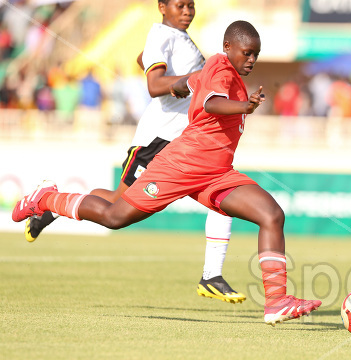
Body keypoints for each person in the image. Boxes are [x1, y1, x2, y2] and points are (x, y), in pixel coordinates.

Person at [13, 20, 321, 326]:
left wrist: (180, 86)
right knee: (115, 216)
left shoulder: (227, 75)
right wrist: (243, 106)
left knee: (271, 214)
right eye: (247, 52)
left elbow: (188, 86)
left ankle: (277, 302)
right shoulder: (219, 66)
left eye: (256, 54)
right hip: (181, 165)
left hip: (216, 174)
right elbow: (211, 103)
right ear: (228, 48)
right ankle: (47, 199)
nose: (252, 59)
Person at [24, 0, 246, 305]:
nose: (187, 11)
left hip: (185, 141)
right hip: (158, 138)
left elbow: (143, 59)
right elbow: (154, 84)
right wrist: (187, 82)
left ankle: (211, 275)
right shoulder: (162, 34)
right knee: (118, 205)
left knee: (220, 193)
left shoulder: (178, 39)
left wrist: (181, 80)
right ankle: (51, 204)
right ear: (162, 7)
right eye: (180, 6)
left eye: (191, 5)